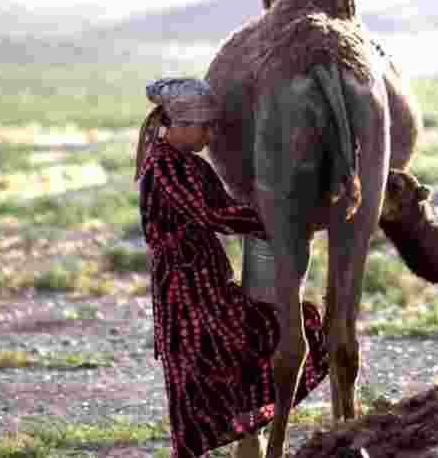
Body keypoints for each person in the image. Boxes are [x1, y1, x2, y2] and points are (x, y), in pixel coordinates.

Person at [135, 77, 330, 457]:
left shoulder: (187, 164)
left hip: (206, 285)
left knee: (225, 361)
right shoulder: (166, 169)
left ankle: (242, 444)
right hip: (185, 293)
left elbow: (223, 211)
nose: (209, 135)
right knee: (199, 374)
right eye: (204, 127)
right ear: (180, 124)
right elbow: (217, 214)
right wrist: (280, 219)